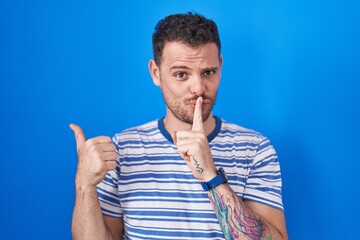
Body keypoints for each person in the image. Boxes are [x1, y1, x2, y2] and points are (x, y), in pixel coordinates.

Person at [70, 12, 288, 240]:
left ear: (220, 66)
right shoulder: (121, 149)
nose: (198, 88)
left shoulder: (255, 149)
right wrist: (84, 183)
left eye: (208, 72)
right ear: (156, 73)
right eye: (181, 74)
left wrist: (210, 176)